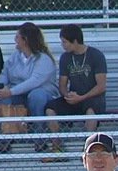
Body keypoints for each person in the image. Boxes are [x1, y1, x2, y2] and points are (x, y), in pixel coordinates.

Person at [42, 24, 108, 155]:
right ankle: (57, 146)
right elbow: (62, 84)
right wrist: (67, 95)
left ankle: (88, 149)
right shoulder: (65, 58)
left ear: (75, 41)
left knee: (91, 110)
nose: (63, 45)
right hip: (74, 99)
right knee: (50, 108)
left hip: (92, 98)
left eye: (64, 42)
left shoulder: (95, 55)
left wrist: (82, 97)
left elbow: (101, 86)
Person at [0, 22, 59, 127]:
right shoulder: (15, 57)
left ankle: (39, 134)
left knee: (36, 95)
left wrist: (10, 92)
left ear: (25, 40)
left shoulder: (44, 59)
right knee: (2, 97)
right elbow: (5, 74)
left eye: (17, 37)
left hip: (42, 96)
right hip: (18, 95)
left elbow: (34, 81)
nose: (15, 40)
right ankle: (8, 135)